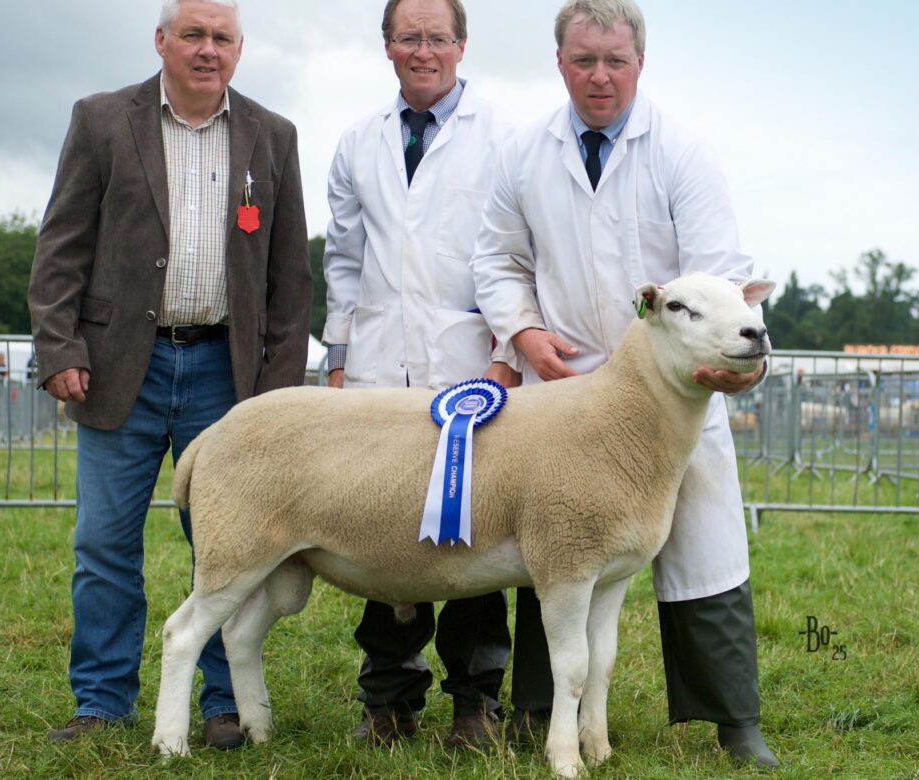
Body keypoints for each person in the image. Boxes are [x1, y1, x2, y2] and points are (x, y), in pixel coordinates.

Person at [470, 0, 778, 768]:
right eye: (584, 60)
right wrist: (524, 332)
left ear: (640, 62)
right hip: (568, 386)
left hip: (675, 386)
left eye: (615, 60)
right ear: (560, 62)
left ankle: (734, 719)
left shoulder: (681, 152)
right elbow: (497, 258)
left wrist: (726, 358)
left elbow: (720, 273)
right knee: (558, 544)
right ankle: (539, 711)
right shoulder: (523, 153)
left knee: (703, 542)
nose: (599, 76)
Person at [27, 0, 311, 751]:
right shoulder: (101, 120)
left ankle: (221, 703)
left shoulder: (273, 135)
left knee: (225, 548)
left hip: (226, 372)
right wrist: (59, 347)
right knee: (104, 543)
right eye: (192, 34)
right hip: (119, 365)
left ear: (239, 49)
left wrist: (278, 392)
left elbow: (290, 279)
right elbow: (60, 248)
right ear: (161, 41)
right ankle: (101, 702)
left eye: (222, 37)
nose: (207, 49)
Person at [322, 0, 517, 749]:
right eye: (409, 37)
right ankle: (389, 701)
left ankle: (476, 705)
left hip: (470, 372)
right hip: (379, 372)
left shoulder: (502, 139)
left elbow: (515, 254)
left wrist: (504, 355)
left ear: (462, 45)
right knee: (382, 535)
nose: (423, 50)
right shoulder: (357, 142)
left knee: (473, 538)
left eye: (437, 37)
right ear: (387, 46)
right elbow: (343, 260)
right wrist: (339, 360)